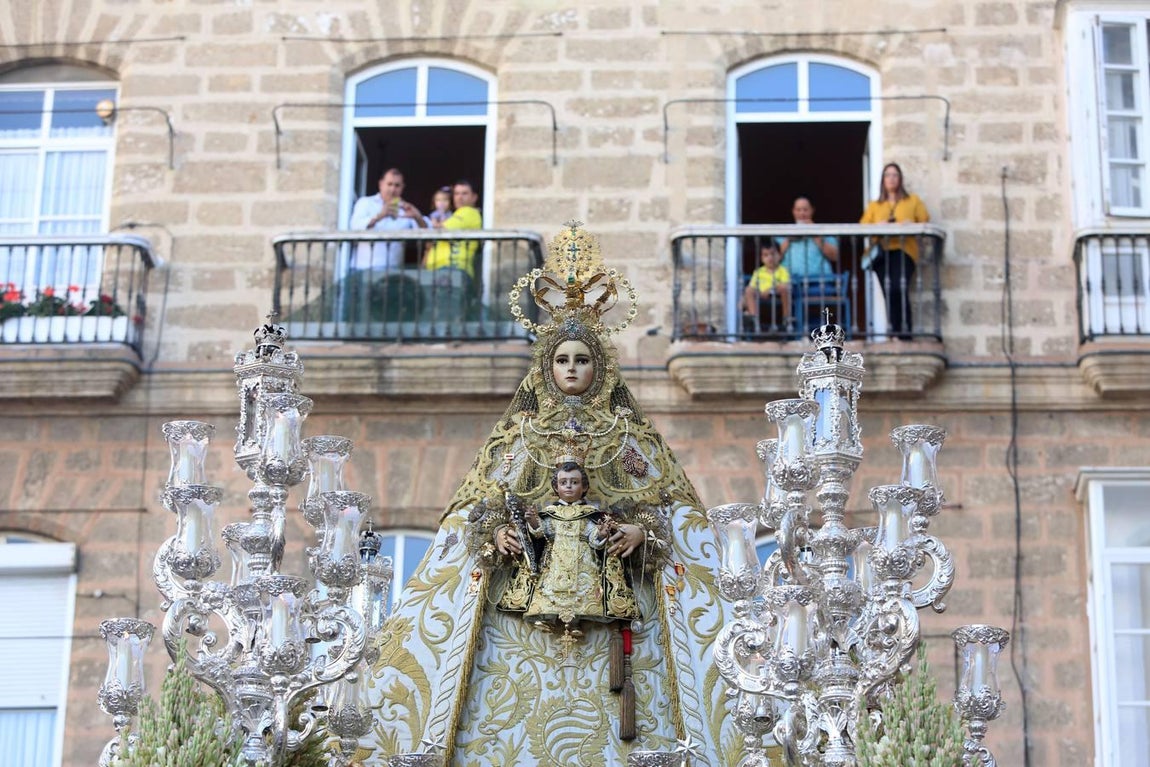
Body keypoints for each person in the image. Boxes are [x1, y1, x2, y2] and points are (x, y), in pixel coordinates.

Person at [369, 224, 738, 765]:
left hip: (618, 612)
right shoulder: (525, 436)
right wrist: (497, 532)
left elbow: (663, 506)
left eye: (582, 360)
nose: (572, 369)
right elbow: (487, 505)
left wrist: (640, 532)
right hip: (524, 611)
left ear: (600, 366)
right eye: (563, 360)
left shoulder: (622, 435)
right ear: (547, 368)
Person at [496, 460, 643, 630]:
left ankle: (575, 622)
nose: (569, 487)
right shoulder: (550, 513)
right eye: (563, 482)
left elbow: (593, 539)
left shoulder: (591, 514)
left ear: (584, 487)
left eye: (574, 482)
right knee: (550, 589)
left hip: (582, 561)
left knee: (581, 591)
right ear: (556, 487)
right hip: (555, 560)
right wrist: (533, 522)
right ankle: (547, 618)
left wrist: (601, 534)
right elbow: (541, 534)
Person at [860, 162, 930, 340]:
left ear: (900, 179)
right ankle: (893, 333)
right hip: (881, 253)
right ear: (883, 180)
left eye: (895, 175)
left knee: (900, 287)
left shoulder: (912, 200)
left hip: (903, 250)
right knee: (888, 291)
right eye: (887, 175)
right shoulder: (875, 206)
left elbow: (924, 219)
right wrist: (878, 226)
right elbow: (862, 226)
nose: (891, 179)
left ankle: (904, 334)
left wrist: (909, 224)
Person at [348, 168, 428, 272]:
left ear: (402, 188)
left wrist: (417, 217)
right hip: (362, 270)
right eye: (389, 184)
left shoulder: (405, 210)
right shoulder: (366, 203)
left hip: (392, 273)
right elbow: (354, 226)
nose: (393, 189)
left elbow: (427, 233)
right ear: (381, 184)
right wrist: (380, 216)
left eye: (397, 185)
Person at [742, 238, 792, 334]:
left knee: (784, 288)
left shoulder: (782, 270)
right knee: (748, 290)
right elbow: (752, 286)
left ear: (779, 255)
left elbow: (784, 284)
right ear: (762, 258)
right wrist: (759, 292)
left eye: (773, 254)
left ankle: (786, 319)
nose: (770, 258)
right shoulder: (759, 271)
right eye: (766, 255)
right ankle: (753, 319)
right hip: (760, 295)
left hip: (776, 295)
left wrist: (770, 290)